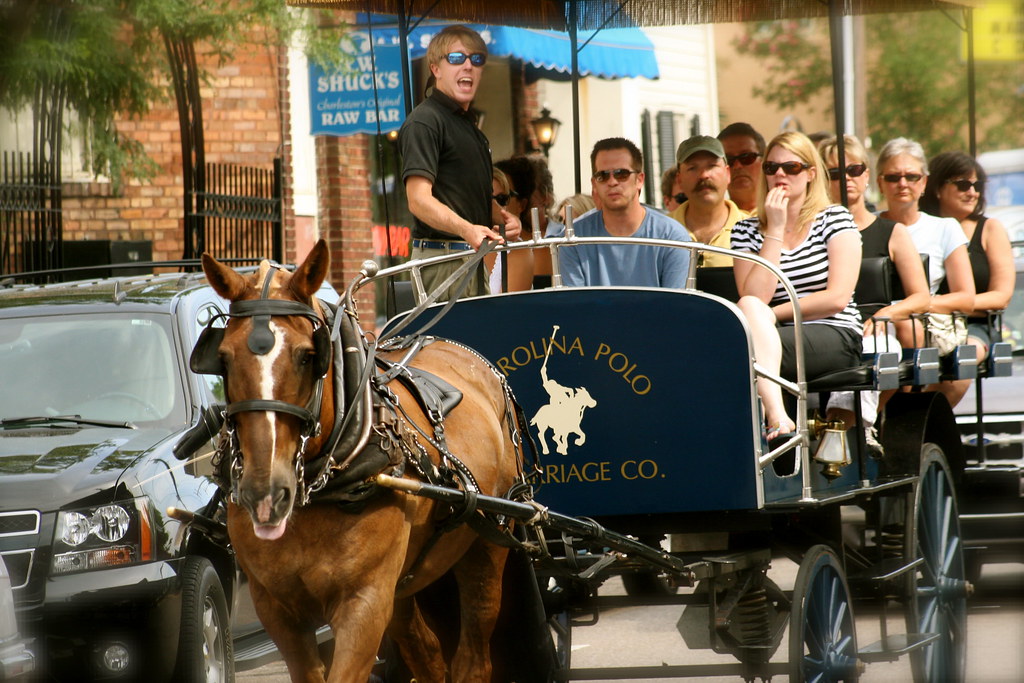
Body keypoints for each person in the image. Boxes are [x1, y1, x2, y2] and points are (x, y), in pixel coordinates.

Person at [731, 131, 863, 441]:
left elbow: (837, 298)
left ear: (810, 174)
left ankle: (775, 419)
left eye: (791, 167)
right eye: (771, 167)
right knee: (748, 309)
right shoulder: (745, 230)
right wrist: (775, 230)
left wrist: (772, 314)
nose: (780, 174)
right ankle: (777, 419)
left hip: (834, 330)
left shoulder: (834, 218)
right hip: (772, 334)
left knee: (742, 348)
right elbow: (755, 297)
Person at [818, 135, 931, 445]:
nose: (846, 179)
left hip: (874, 326)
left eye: (854, 170)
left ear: (867, 175)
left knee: (882, 351)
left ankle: (843, 432)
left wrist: (886, 315)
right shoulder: (812, 233)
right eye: (835, 173)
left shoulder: (891, 231)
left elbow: (921, 296)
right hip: (825, 325)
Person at [398, 25, 519, 299]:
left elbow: (466, 197)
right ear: (435, 69)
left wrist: (503, 218)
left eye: (476, 59)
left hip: (468, 257)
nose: (468, 65)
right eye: (456, 58)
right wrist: (467, 230)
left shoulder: (469, 127)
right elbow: (418, 200)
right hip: (443, 259)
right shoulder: (425, 121)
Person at [920, 150, 1013, 406]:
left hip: (974, 326)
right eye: (962, 184)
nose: (972, 192)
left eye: (977, 185)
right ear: (937, 188)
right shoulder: (921, 228)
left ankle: (926, 421)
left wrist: (943, 304)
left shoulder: (990, 229)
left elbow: (1001, 297)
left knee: (963, 359)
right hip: (923, 324)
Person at [876, 138, 975, 355]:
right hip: (871, 322)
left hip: (920, 325)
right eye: (893, 177)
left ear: (924, 182)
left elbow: (966, 298)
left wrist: (906, 308)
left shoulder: (945, 228)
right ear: (880, 183)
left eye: (912, 176)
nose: (903, 184)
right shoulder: (866, 226)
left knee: (907, 326)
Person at [558, 137, 691, 287]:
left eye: (621, 174)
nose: (612, 182)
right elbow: (575, 301)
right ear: (594, 183)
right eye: (603, 176)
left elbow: (675, 301)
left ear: (639, 180)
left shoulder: (673, 237)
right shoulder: (572, 239)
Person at [669, 135, 746, 267]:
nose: (704, 175)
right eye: (692, 168)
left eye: (712, 166)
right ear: (679, 180)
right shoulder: (662, 232)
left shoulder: (753, 231)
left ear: (728, 174)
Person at [487, 165, 534, 293]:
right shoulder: (457, 242)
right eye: (485, 198)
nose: (494, 206)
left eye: (502, 199)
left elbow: (507, 305)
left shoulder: (518, 250)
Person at [718, 122, 765, 214]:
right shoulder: (711, 220)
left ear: (764, 161)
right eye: (728, 160)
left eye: (746, 157)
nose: (737, 166)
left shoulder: (786, 213)